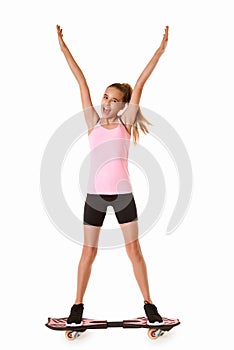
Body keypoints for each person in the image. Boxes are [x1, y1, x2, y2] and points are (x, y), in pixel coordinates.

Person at [56, 24, 169, 327]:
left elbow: (141, 83)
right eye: (105, 96)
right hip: (94, 195)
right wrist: (64, 47)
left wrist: (159, 50)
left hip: (123, 196)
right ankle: (77, 307)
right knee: (88, 252)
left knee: (134, 250)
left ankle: (149, 305)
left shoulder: (126, 123)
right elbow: (80, 80)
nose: (106, 102)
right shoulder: (91, 121)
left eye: (113, 99)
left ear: (123, 106)